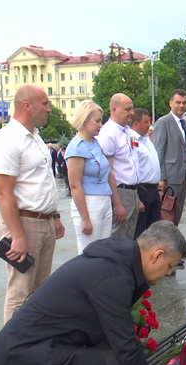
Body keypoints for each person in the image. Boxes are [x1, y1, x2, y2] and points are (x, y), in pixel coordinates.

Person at [0, 221, 184, 365]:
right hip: (24, 359)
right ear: (156, 255)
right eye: (170, 265)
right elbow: (124, 345)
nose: (168, 273)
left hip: (33, 347)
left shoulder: (119, 259)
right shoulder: (114, 277)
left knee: (113, 361)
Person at [0, 84, 65, 323]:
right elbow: (3, 193)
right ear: (27, 105)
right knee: (20, 291)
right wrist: (17, 235)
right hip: (24, 223)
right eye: (45, 103)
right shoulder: (8, 139)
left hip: (43, 221)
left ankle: (34, 341)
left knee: (41, 290)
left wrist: (54, 216)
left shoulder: (34, 136)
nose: (49, 109)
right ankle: (12, 351)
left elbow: (42, 181)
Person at [66, 100, 113, 254]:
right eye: (97, 121)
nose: (101, 125)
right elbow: (75, 185)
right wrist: (85, 218)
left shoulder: (95, 142)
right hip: (88, 202)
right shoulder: (76, 147)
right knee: (89, 252)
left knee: (103, 249)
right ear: (85, 120)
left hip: (104, 198)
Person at [98, 93, 141, 239]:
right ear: (114, 109)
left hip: (132, 191)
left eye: (132, 109)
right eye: (127, 109)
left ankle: (126, 262)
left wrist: (137, 197)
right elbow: (107, 170)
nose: (132, 113)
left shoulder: (127, 131)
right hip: (120, 191)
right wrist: (117, 203)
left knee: (129, 236)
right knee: (118, 236)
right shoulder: (108, 133)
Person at [153, 89, 186, 225]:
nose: (181, 106)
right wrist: (161, 177)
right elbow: (158, 151)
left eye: (184, 103)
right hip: (170, 176)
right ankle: (165, 243)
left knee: (177, 213)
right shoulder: (163, 122)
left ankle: (172, 240)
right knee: (167, 213)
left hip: (182, 175)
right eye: (178, 102)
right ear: (170, 103)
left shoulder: (185, 124)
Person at [131, 108, 162, 239]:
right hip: (142, 189)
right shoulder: (131, 140)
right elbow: (132, 168)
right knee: (139, 229)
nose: (149, 125)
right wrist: (137, 198)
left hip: (153, 189)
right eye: (145, 122)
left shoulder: (147, 139)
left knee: (155, 228)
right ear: (136, 123)